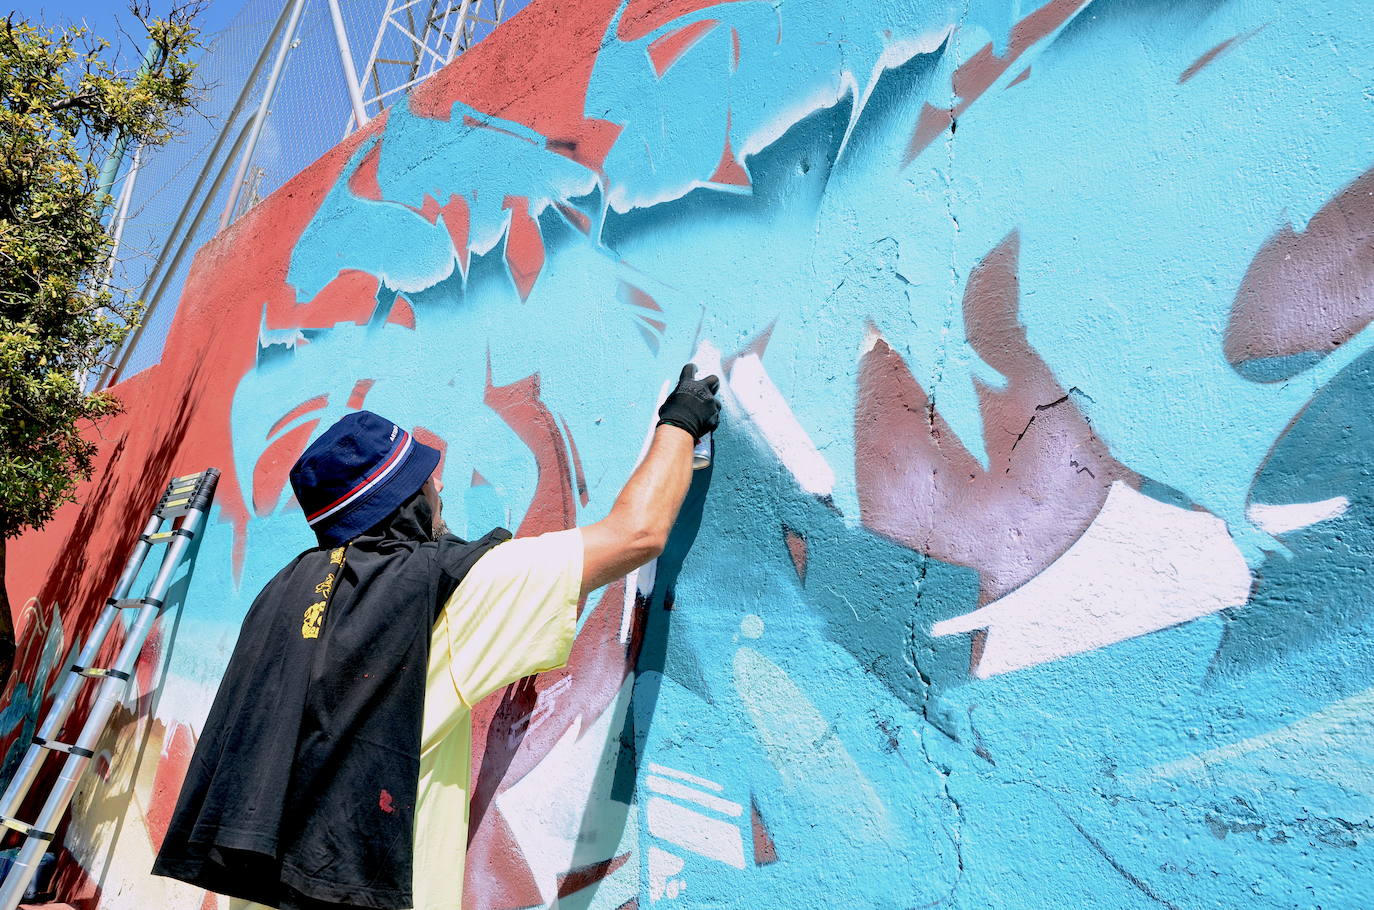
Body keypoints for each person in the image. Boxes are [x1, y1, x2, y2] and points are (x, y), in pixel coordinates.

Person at [152, 364, 720, 910]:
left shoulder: (280, 596)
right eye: (426, 477)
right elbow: (636, 534)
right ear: (404, 500)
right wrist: (681, 422)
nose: (441, 483)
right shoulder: (440, 595)